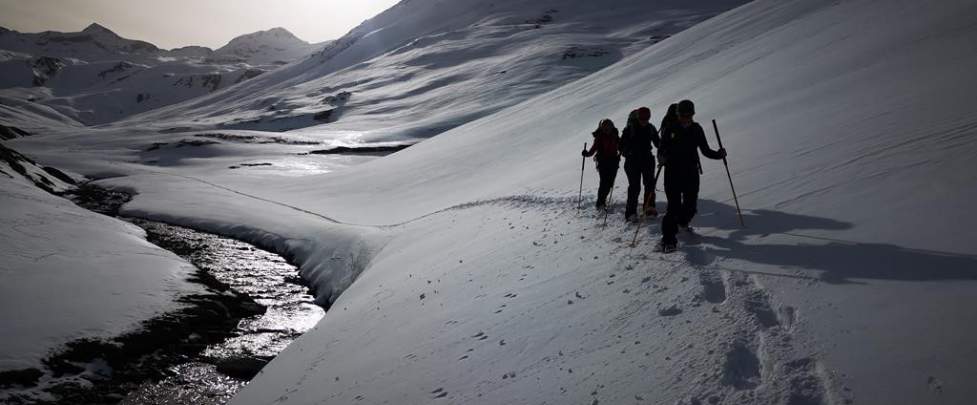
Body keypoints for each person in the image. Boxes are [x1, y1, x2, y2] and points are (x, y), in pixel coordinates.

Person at [658, 99, 726, 252]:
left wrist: (719, 154)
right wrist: (661, 157)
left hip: (691, 172)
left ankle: (682, 223)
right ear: (678, 114)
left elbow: (705, 150)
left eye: (689, 115)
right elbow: (661, 148)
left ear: (693, 114)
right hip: (672, 173)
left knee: (690, 206)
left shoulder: (696, 129)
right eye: (683, 115)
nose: (686, 118)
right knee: (673, 208)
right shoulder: (670, 129)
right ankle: (668, 240)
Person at [619, 106, 660, 221]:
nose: (644, 120)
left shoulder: (651, 128)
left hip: (647, 160)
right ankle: (631, 212)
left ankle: (649, 207)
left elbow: (658, 143)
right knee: (634, 187)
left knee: (650, 184)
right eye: (642, 118)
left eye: (646, 118)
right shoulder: (629, 129)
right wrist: (628, 151)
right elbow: (621, 146)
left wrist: (665, 149)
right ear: (637, 117)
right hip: (633, 161)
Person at [581, 118, 620, 210]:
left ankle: (602, 200)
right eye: (605, 127)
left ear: (611, 127)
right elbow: (593, 149)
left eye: (608, 127)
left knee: (610, 183)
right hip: (603, 162)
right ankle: (600, 203)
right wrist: (587, 154)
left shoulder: (615, 136)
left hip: (613, 162)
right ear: (602, 128)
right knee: (604, 182)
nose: (607, 129)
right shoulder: (600, 137)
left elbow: (621, 145)